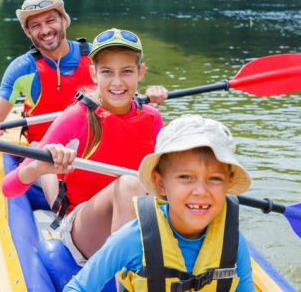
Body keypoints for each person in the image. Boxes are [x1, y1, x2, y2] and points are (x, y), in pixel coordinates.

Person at [2, 28, 166, 266]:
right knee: (130, 184)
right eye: (107, 72)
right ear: (93, 73)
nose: (117, 82)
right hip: (84, 228)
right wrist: (38, 168)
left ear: (141, 72)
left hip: (137, 220)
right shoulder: (76, 118)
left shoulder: (152, 118)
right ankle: (130, 279)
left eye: (127, 72)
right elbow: (9, 188)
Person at [63, 114, 255, 292]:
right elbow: (77, 288)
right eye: (186, 177)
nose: (200, 191)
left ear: (228, 183)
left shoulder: (234, 242)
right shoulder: (133, 238)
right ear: (160, 184)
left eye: (214, 179)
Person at [0, 0, 167, 143]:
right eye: (36, 25)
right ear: (27, 31)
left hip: (96, 144)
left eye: (50, 21)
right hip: (45, 151)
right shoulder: (22, 68)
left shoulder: (95, 55)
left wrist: (150, 97)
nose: (45, 30)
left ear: (63, 21)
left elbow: (124, 91)